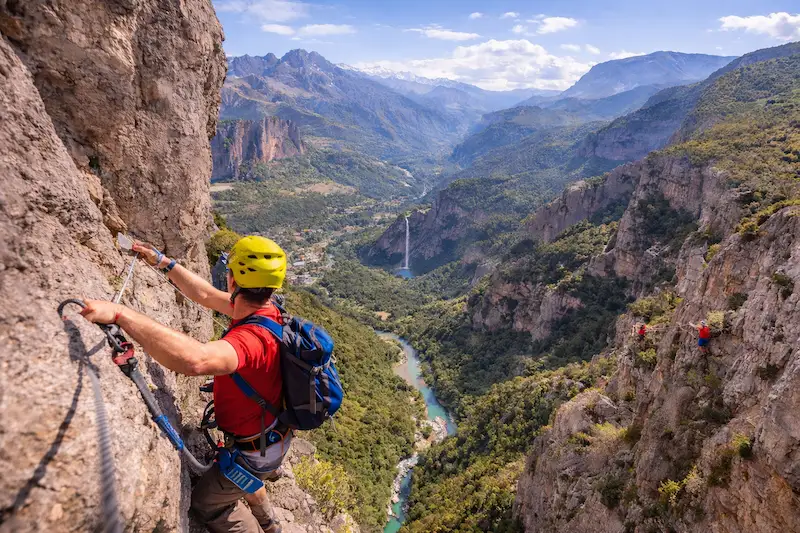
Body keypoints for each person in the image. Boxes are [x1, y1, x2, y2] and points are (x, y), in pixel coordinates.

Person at [79, 235, 289, 533]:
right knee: (242, 473)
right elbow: (204, 295)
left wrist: (121, 314)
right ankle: (270, 524)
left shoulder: (250, 340)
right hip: (269, 438)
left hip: (256, 450)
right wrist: (163, 262)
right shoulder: (268, 312)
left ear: (232, 281)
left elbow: (196, 361)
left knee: (208, 505)